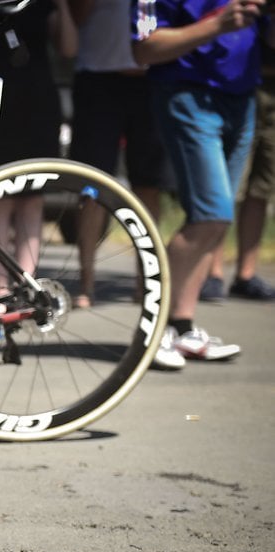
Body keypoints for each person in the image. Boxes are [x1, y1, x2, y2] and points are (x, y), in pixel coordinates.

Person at [133, 0, 272, 369]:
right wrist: (216, 26)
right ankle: (153, 331)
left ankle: (182, 326)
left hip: (242, 99)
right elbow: (144, 46)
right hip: (187, 97)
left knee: (214, 219)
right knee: (211, 214)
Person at [0, 0, 77, 313]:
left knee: (32, 197)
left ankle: (27, 286)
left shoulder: (42, 5)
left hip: (36, 100)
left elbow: (68, 47)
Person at [68, 0, 166, 309]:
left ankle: (146, 285)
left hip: (151, 81)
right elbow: (77, 16)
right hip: (98, 78)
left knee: (149, 185)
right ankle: (86, 283)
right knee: (92, 186)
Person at [201, 54, 275, 302]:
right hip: (240, 84)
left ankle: (246, 274)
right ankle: (213, 272)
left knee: (261, 188)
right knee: (228, 186)